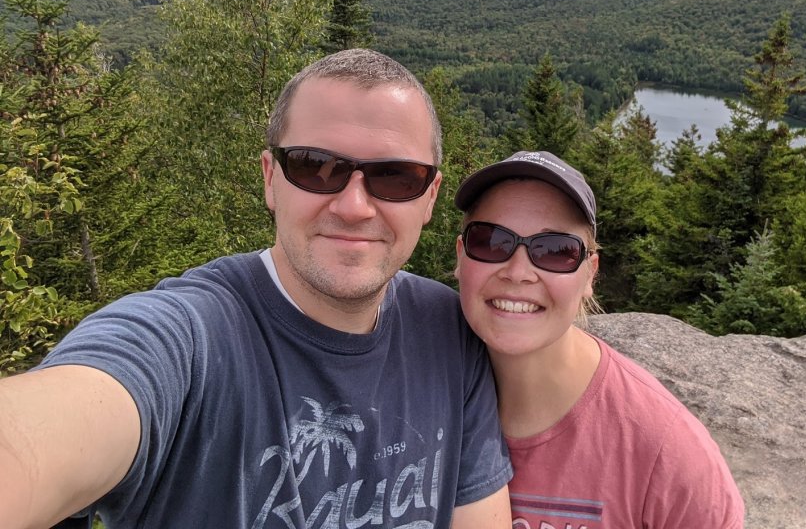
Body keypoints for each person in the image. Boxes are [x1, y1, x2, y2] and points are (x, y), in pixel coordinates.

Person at [0, 49, 512, 529]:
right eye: (317, 166)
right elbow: (37, 436)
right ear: (271, 179)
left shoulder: (448, 331)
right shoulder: (191, 337)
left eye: (396, 176)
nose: (354, 206)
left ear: (429, 197)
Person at [453, 151, 745, 528]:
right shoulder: (417, 389)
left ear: (590, 273)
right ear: (461, 256)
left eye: (555, 251)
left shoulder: (666, 451)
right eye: (491, 241)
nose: (519, 271)